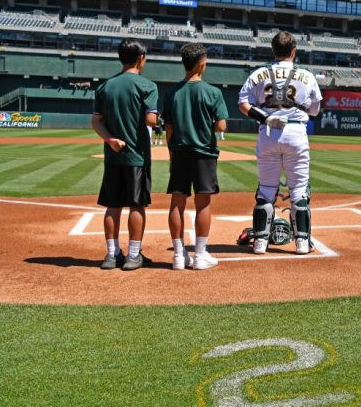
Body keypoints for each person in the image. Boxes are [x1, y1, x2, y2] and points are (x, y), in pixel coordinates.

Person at [238, 31, 322, 255]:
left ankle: (260, 243)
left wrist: (265, 116)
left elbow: (243, 104)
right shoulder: (307, 75)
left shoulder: (258, 74)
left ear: (273, 50)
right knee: (298, 190)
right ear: (293, 52)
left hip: (268, 130)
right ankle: (302, 242)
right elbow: (315, 109)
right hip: (295, 131)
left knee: (266, 190)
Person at [90, 39, 159, 270]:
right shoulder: (147, 86)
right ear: (141, 58)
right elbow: (151, 119)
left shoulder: (105, 87)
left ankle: (111, 255)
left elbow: (96, 122)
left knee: (112, 206)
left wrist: (110, 140)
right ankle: (133, 255)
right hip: (136, 156)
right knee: (136, 205)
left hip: (112, 155)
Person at [163, 43, 230, 271]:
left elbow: (168, 130)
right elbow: (221, 125)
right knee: (203, 204)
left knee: (177, 202)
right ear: (201, 64)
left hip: (179, 152)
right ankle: (200, 255)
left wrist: (171, 156)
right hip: (204, 154)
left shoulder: (171, 92)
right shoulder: (213, 93)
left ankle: (178, 256)